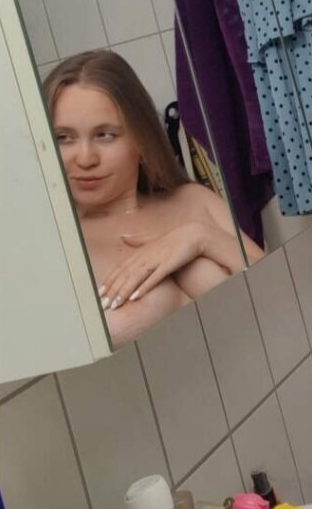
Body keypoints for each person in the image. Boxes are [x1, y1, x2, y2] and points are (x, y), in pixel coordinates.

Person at [44, 50, 265, 348]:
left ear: (141, 138)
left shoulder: (194, 201)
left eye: (105, 135)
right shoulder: (53, 245)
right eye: (63, 137)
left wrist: (200, 237)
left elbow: (285, 291)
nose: (85, 158)